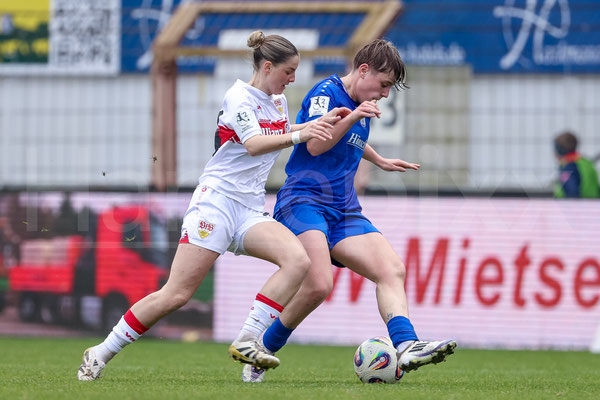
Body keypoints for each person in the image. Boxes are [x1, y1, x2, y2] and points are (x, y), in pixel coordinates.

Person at [77, 31, 348, 381]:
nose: (293, 79)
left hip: (249, 209)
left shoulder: (278, 101)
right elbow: (253, 144)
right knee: (176, 294)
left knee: (298, 261)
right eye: (289, 71)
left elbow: (279, 131)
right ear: (267, 67)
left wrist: (315, 125)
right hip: (216, 203)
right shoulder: (238, 97)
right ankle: (100, 352)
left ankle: (248, 340)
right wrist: (301, 134)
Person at [241, 39, 456, 383]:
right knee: (318, 285)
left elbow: (350, 137)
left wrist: (379, 159)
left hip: (343, 208)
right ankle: (262, 350)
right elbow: (315, 144)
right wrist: (354, 115)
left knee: (392, 270)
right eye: (384, 84)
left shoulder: (360, 102)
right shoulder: (326, 93)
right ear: (364, 70)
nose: (385, 94)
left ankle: (407, 345)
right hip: (305, 200)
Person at [553, 131, 599, 198]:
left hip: (578, 204)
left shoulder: (568, 167)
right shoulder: (586, 163)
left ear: (559, 150)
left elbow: (572, 192)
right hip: (593, 202)